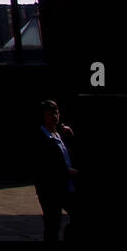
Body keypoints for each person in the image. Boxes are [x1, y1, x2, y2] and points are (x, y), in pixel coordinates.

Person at [34, 99, 78, 242]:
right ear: (43, 116)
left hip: (66, 186)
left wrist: (70, 137)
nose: (55, 116)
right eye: (50, 113)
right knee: (52, 224)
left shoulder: (60, 134)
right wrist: (67, 172)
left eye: (56, 112)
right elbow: (46, 166)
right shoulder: (41, 137)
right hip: (50, 190)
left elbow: (69, 154)